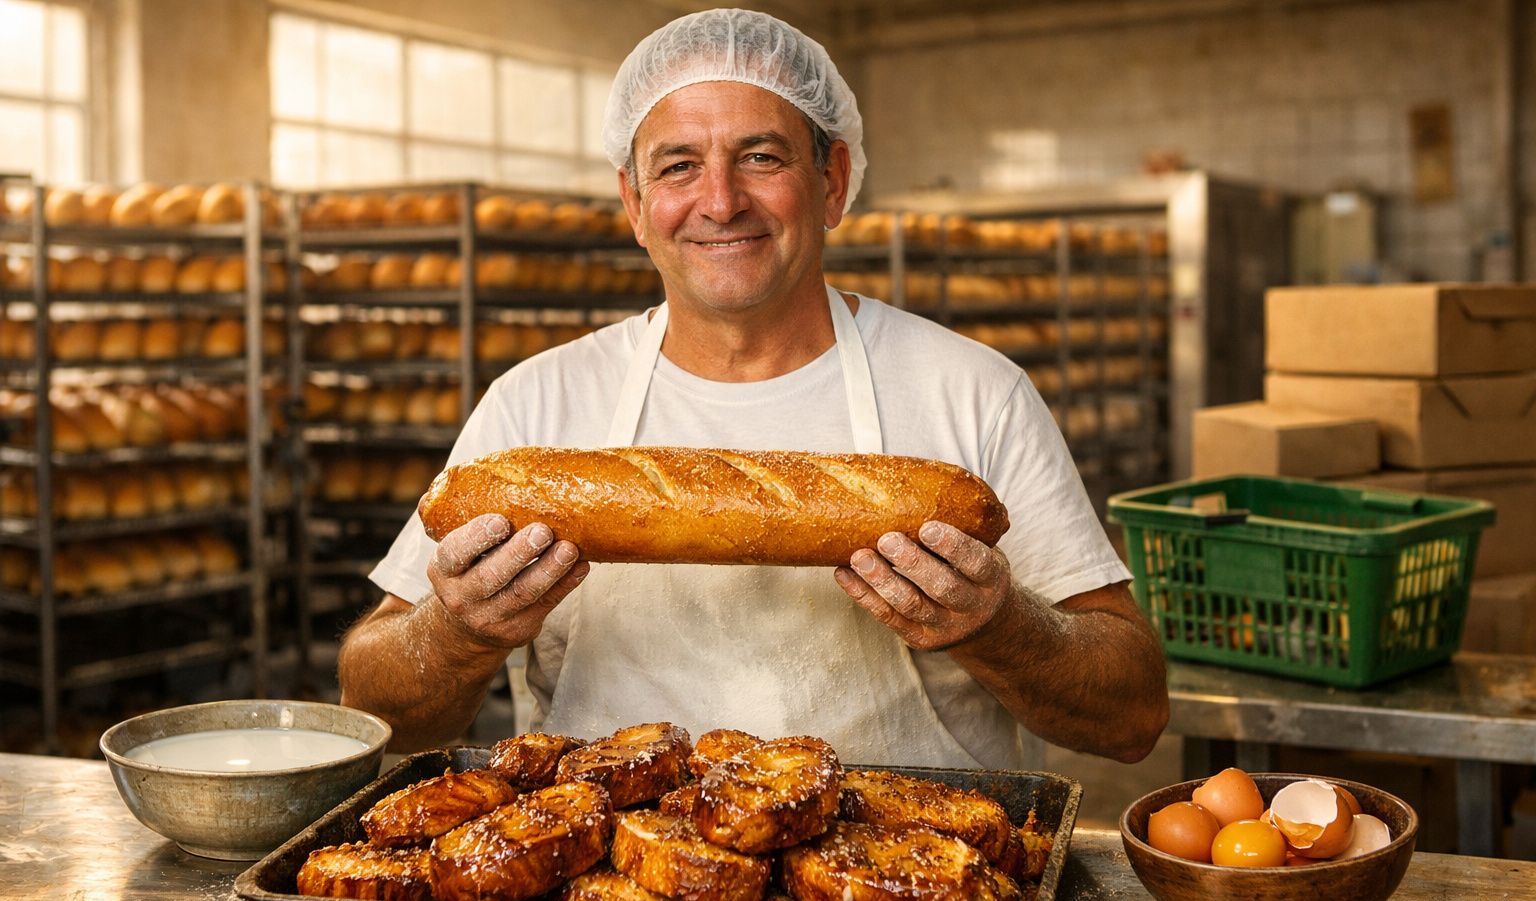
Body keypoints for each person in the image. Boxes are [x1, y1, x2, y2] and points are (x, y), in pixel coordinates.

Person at [339, 8, 1167, 768]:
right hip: (602, 882)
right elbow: (372, 712)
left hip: (911, 887)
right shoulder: (535, 405)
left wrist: (1002, 628)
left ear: (833, 180)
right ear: (634, 203)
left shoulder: (972, 393)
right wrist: (451, 634)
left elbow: (1133, 717)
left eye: (761, 158)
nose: (721, 202)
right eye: (678, 167)